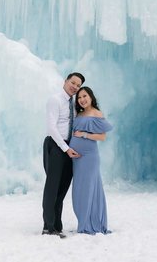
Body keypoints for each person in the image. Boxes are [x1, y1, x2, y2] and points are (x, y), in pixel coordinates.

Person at [42, 72, 85, 238]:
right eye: (72, 82)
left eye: (78, 85)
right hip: (55, 145)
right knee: (52, 187)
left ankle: (57, 225)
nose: (74, 86)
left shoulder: (73, 104)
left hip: (69, 146)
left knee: (63, 187)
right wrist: (65, 148)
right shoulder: (55, 100)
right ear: (65, 82)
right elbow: (51, 128)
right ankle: (48, 226)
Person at [69, 86, 113, 235]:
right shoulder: (79, 114)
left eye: (84, 96)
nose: (82, 100)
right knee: (79, 190)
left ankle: (90, 223)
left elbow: (102, 136)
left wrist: (84, 135)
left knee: (89, 189)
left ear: (91, 97)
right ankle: (83, 220)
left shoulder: (96, 114)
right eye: (79, 97)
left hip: (89, 157)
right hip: (76, 159)